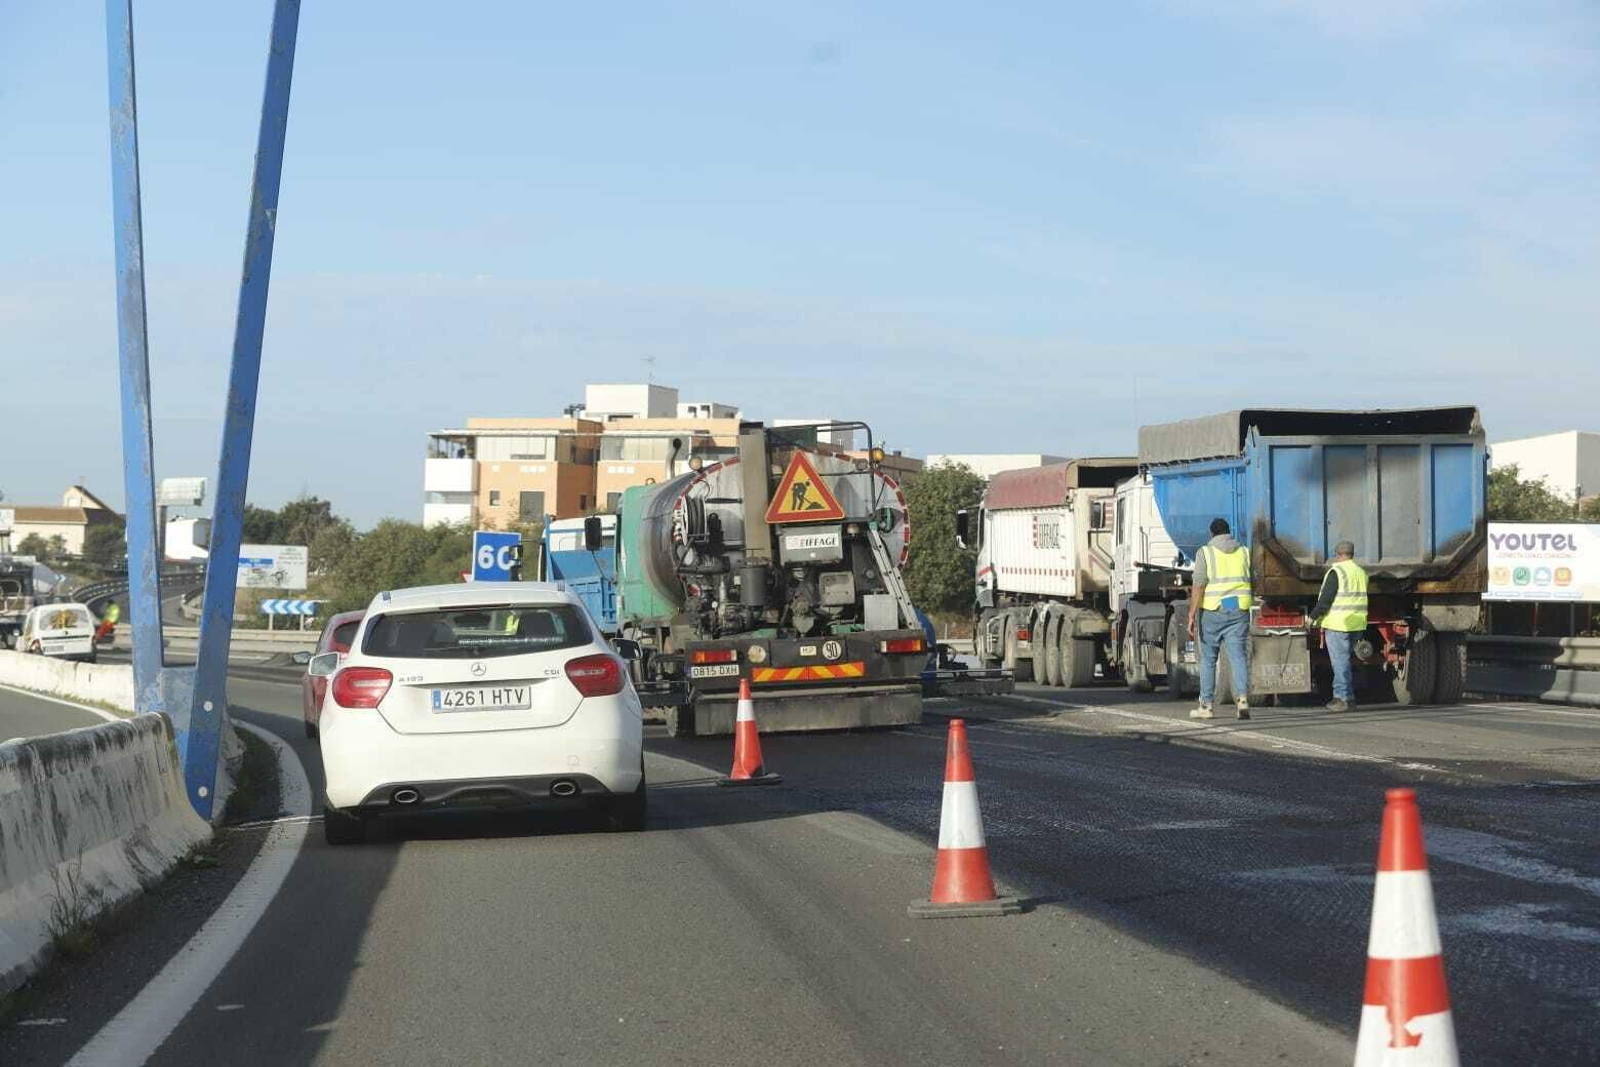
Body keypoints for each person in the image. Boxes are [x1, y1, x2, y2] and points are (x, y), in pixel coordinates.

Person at [1187, 518, 1251, 721]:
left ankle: (1206, 705)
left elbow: (1198, 585)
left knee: (1208, 660)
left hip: (1214, 610)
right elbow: (1252, 578)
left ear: (1211, 534)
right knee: (1238, 656)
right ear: (1229, 532)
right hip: (1238, 608)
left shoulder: (1205, 552)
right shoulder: (1244, 551)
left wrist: (1191, 614)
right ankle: (1242, 700)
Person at [1312, 540, 1368, 712]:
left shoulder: (1336, 572)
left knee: (1340, 662)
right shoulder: (1361, 572)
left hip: (1339, 624)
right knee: (1344, 661)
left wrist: (1312, 617)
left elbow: (1326, 600)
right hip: (1357, 624)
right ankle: (1345, 697)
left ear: (1337, 554)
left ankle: (1343, 699)